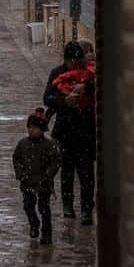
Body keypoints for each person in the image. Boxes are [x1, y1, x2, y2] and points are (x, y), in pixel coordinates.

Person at [43, 39, 96, 224]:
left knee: (86, 173)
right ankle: (67, 206)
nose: (75, 65)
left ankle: (87, 210)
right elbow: (48, 98)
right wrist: (64, 101)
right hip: (65, 130)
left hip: (86, 130)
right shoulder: (58, 73)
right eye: (72, 61)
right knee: (67, 171)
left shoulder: (90, 73)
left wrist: (86, 87)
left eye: (78, 61)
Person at [12, 108, 62, 243]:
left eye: (34, 128)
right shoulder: (23, 144)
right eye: (29, 127)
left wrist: (48, 175)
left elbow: (56, 161)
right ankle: (34, 224)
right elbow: (16, 158)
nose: (31, 130)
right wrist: (20, 174)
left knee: (44, 209)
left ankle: (46, 233)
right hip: (27, 181)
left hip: (43, 183)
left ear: (42, 129)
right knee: (28, 206)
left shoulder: (50, 145)